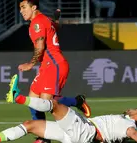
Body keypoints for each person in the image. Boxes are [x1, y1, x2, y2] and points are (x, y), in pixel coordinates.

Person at [0, 74, 137, 143]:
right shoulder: (126, 126)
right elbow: (129, 134)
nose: (130, 109)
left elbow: (131, 132)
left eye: (135, 109)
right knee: (30, 125)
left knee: (53, 105)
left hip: (84, 131)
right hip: (76, 135)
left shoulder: (129, 124)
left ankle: (17, 97)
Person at [11, 1, 91, 142]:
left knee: (46, 103)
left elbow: (41, 45)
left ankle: (77, 101)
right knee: (33, 101)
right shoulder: (45, 19)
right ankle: (43, 138)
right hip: (47, 66)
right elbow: (56, 26)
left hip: (55, 65)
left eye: (24, 7)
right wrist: (56, 19)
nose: (21, 11)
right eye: (20, 8)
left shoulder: (37, 22)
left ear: (34, 7)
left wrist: (31, 63)